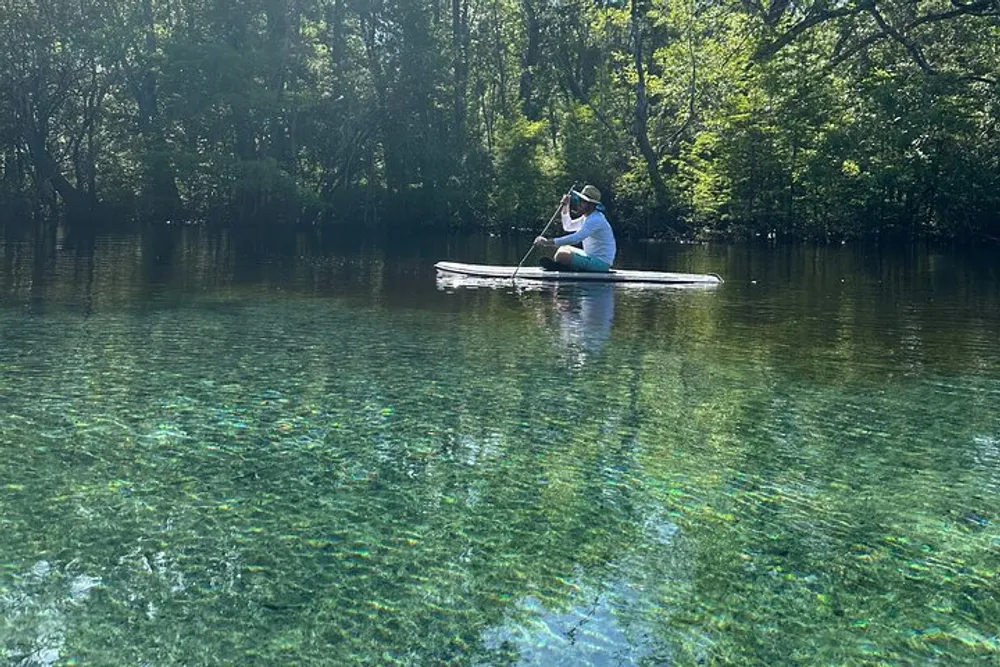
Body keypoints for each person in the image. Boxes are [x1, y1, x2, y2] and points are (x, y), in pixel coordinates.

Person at [533, 184, 616, 272]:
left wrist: (547, 242)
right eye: (579, 200)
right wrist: (566, 206)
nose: (579, 204)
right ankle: (563, 267)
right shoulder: (586, 217)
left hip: (601, 263)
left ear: (592, 205)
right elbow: (568, 226)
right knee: (563, 249)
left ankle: (564, 268)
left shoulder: (596, 219)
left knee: (562, 255)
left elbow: (576, 238)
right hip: (591, 257)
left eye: (583, 201)